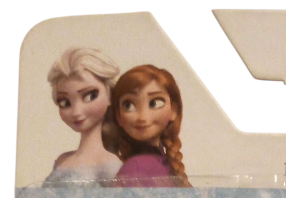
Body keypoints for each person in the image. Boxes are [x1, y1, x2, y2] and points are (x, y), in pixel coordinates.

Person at [44, 47, 121, 186]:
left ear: (110, 95)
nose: (76, 112)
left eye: (90, 96)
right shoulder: (62, 160)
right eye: (65, 102)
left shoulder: (109, 165)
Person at [110, 65, 190, 187]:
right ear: (118, 116)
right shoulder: (135, 168)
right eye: (128, 105)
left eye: (154, 103)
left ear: (173, 110)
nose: (142, 117)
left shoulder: (166, 164)